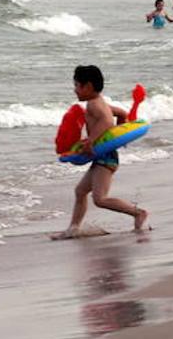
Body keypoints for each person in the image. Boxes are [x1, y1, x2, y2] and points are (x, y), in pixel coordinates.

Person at [52, 65, 149, 240]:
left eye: (77, 86)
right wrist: (118, 133)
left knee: (100, 199)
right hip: (103, 157)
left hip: (106, 159)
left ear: (88, 86)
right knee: (80, 191)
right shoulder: (100, 102)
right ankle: (73, 229)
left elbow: (106, 121)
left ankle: (138, 213)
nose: (75, 90)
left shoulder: (94, 105)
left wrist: (91, 139)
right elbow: (121, 113)